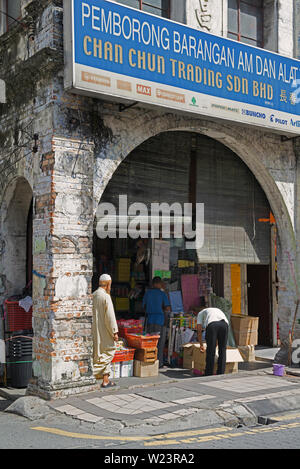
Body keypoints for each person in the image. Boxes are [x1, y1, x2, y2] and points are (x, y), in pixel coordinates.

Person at [92, 274, 119, 388]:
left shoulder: (93, 295)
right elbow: (110, 316)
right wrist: (114, 332)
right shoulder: (105, 296)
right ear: (108, 284)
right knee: (109, 351)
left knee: (100, 353)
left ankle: (106, 380)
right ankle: (91, 373)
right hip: (105, 329)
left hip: (95, 329)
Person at [143, 277, 171, 368]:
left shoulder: (147, 293)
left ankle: (149, 360)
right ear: (159, 284)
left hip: (150, 320)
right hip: (160, 320)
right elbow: (167, 308)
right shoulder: (162, 294)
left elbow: (144, 306)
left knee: (150, 342)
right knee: (160, 343)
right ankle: (159, 363)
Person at [197, 304, 229, 376]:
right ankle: (221, 372)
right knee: (222, 350)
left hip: (212, 325)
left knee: (210, 350)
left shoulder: (200, 313)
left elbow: (199, 331)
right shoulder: (216, 310)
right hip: (225, 325)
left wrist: (201, 345)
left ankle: (208, 372)